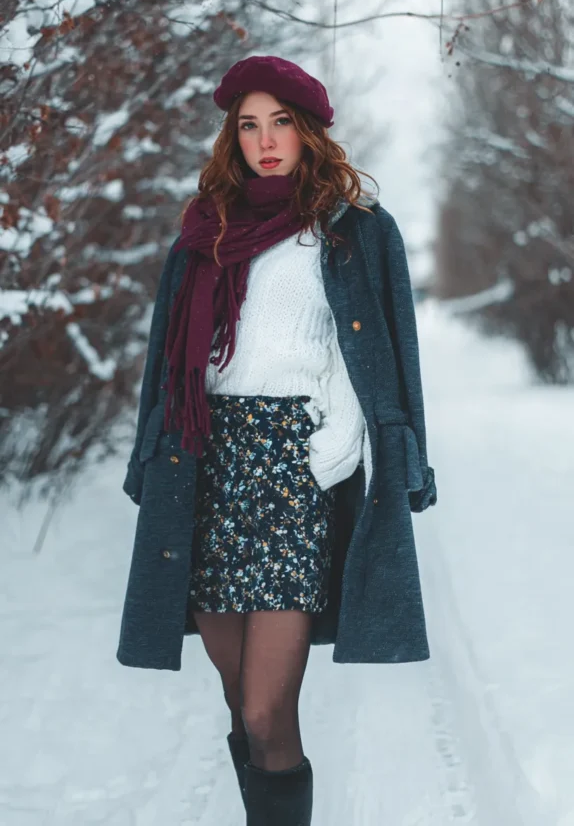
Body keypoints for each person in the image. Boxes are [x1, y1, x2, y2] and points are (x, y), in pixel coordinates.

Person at [117, 55, 437, 826]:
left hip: (293, 468)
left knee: (267, 712)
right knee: (236, 698)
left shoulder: (353, 231)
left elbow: (380, 353)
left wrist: (340, 440)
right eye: (249, 125)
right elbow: (167, 357)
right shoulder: (205, 232)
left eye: (281, 123)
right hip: (207, 463)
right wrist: (151, 456)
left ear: (309, 130)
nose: (265, 140)